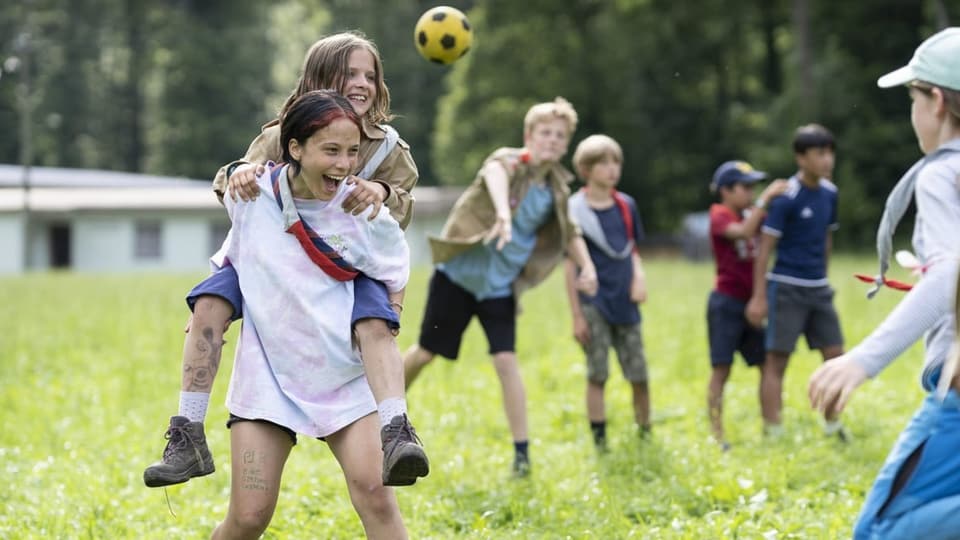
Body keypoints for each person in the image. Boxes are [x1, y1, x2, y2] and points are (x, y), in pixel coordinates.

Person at [144, 31, 428, 489]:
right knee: (208, 304)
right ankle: (187, 431)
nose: (362, 84)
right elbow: (231, 180)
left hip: (346, 255)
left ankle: (396, 429)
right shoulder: (283, 132)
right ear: (320, 76)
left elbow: (400, 216)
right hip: (273, 252)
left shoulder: (389, 148)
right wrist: (243, 175)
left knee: (375, 324)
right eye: (350, 73)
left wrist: (384, 192)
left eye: (370, 76)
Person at [208, 90, 410, 539]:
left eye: (353, 152)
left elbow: (397, 270)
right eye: (331, 150)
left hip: (342, 374)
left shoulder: (363, 210)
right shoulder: (255, 197)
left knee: (377, 495)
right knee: (248, 517)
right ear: (295, 148)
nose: (343, 164)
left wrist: (388, 319)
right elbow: (229, 258)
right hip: (270, 377)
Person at [808, 27, 960, 539]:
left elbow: (950, 273)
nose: (913, 112)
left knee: (880, 531)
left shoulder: (942, 173)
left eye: (912, 99)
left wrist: (862, 359)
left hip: (957, 391)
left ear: (936, 101)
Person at [402, 97, 599, 476]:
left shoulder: (557, 189)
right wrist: (504, 215)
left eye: (560, 136)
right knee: (426, 352)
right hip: (458, 277)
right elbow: (494, 173)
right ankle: (386, 411)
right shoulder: (509, 161)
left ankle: (522, 454)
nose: (552, 140)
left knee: (506, 361)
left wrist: (587, 267)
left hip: (499, 288)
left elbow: (570, 233)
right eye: (545, 133)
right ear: (529, 135)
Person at [745, 124, 847, 439]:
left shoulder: (830, 194)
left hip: (819, 289)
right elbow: (764, 250)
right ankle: (773, 430)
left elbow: (826, 241)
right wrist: (759, 296)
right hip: (786, 286)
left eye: (829, 152)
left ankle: (833, 425)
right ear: (801, 158)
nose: (827, 160)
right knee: (777, 361)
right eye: (819, 153)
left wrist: (825, 278)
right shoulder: (785, 197)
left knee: (836, 357)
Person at [563, 134, 649, 451]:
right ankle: (601, 442)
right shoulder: (573, 209)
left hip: (626, 301)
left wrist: (639, 278)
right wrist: (576, 316)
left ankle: (645, 432)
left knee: (639, 373)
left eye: (616, 162)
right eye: (603, 163)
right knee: (597, 373)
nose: (612, 169)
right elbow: (569, 266)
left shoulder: (627, 205)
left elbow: (633, 250)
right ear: (586, 169)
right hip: (593, 304)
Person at [706, 160, 786, 450]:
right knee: (721, 369)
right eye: (746, 187)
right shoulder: (719, 215)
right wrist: (765, 201)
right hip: (725, 303)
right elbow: (741, 232)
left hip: (752, 303)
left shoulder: (754, 213)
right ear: (726, 190)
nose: (752, 193)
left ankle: (771, 425)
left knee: (766, 364)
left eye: (755, 187)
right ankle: (717, 435)